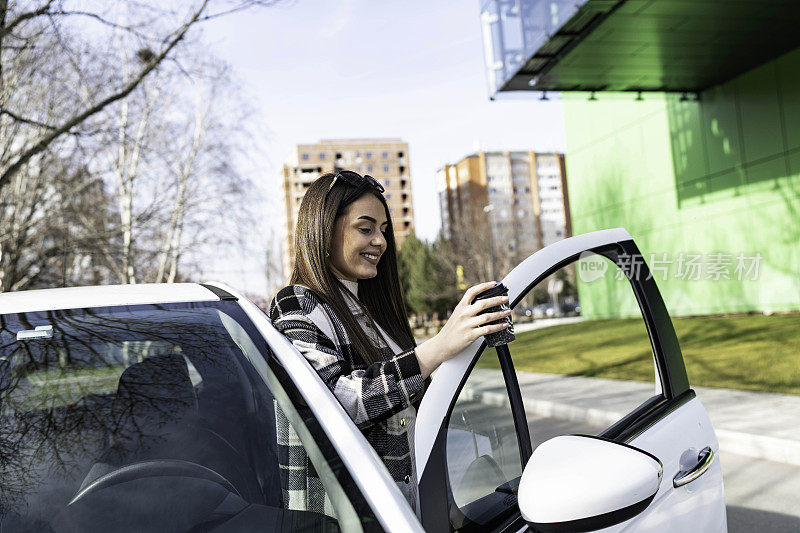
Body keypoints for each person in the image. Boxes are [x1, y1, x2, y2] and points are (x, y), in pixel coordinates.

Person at [268, 170, 511, 516]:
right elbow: (334, 402)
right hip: (346, 516)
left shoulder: (369, 311)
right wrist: (438, 347)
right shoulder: (296, 302)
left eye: (383, 230)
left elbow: (408, 410)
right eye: (365, 228)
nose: (380, 241)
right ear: (323, 228)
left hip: (402, 509)